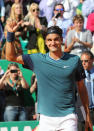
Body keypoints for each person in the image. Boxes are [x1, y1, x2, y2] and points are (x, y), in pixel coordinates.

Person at [5, 25, 93, 131]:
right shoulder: (37, 59)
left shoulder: (74, 60)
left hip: (68, 118)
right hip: (46, 120)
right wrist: (10, 36)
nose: (53, 43)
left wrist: (87, 115)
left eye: (56, 39)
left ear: (61, 40)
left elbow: (82, 88)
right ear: (46, 42)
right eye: (49, 40)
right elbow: (10, 57)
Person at [81, 51, 94, 125]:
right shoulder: (78, 75)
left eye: (86, 61)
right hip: (83, 109)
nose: (83, 63)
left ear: (92, 60)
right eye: (82, 61)